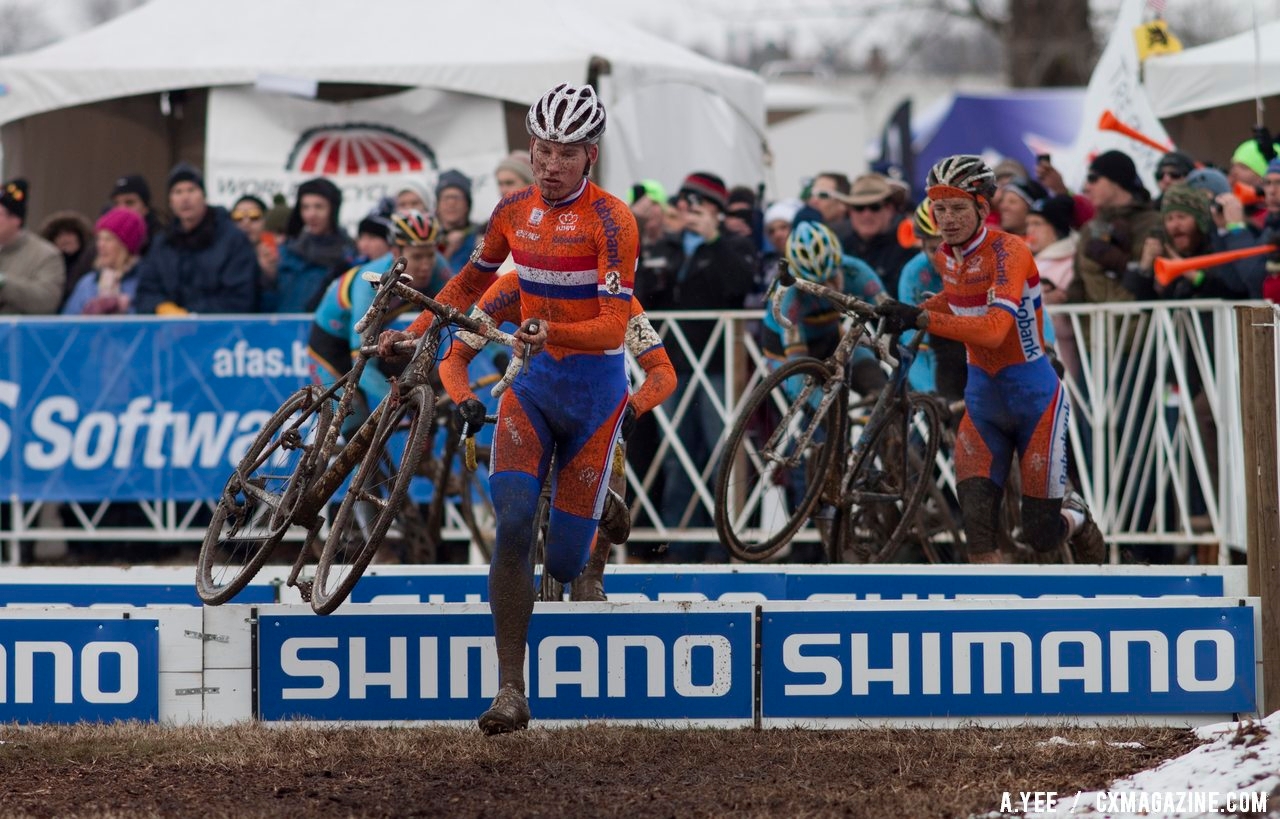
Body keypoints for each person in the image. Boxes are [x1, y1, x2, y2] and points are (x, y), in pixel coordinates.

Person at [377, 82, 637, 734]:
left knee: (567, 563)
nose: (549, 163)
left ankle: (599, 501)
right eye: (541, 149)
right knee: (514, 520)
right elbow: (469, 282)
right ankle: (510, 690)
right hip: (532, 387)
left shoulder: (613, 220)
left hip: (596, 395)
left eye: (565, 153)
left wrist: (551, 332)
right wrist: (413, 332)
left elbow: (612, 327)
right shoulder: (511, 209)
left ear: (591, 155)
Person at [873, 155, 1105, 565]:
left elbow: (995, 329)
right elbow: (959, 297)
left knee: (1041, 534)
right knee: (977, 533)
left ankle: (1079, 518)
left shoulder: (1009, 251)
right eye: (939, 209)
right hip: (983, 402)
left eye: (958, 208)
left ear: (983, 208)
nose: (947, 219)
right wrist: (906, 316)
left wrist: (924, 317)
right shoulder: (946, 255)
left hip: (1035, 403)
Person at [436, 273, 676, 599]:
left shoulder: (616, 298)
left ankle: (592, 573)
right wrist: (465, 398)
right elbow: (456, 354)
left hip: (595, 399)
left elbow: (663, 371)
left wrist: (636, 407)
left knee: (613, 447)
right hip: (536, 397)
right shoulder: (511, 287)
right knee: (516, 504)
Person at [632, 170, 758, 563]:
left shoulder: (735, 244)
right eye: (683, 202)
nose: (687, 210)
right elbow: (646, 295)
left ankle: (724, 542)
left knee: (721, 451)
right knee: (676, 455)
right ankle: (678, 544)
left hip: (718, 364)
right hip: (674, 364)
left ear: (717, 211)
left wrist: (713, 240)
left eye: (698, 204)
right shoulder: (666, 245)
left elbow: (738, 283)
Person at [310, 209, 448, 436]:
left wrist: (499, 357)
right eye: (417, 257)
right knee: (353, 412)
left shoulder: (436, 265)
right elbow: (363, 366)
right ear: (396, 252)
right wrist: (403, 399)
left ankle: (421, 458)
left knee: (426, 382)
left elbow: (471, 311)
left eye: (430, 256)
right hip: (330, 343)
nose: (426, 265)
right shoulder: (371, 281)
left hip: (375, 331)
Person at [134, 163, 259, 314]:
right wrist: (161, 307)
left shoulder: (232, 240)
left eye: (191, 190)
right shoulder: (162, 244)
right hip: (169, 332)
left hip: (218, 332)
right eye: (177, 192)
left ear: (204, 196)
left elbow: (240, 297)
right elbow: (145, 291)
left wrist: (192, 316)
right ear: (170, 202)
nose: (185, 198)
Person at [1073, 150, 1162, 304]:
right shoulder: (1089, 228)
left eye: (1093, 179)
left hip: (1142, 323)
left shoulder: (1154, 222)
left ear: (1116, 181)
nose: (1087, 187)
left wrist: (1122, 263)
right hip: (1096, 326)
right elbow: (1078, 282)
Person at [897, 200, 964, 400]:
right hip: (943, 356)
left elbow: (1030, 308)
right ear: (923, 246)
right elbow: (913, 345)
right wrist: (930, 394)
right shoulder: (914, 273)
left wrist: (1046, 347)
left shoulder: (987, 263)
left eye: (951, 246)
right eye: (935, 248)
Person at [274, 178, 355, 313]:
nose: (311, 214)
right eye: (305, 207)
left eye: (319, 207)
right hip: (286, 329)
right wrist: (267, 275)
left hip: (326, 331)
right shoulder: (288, 250)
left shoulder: (349, 255)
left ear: (333, 209)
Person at [1025, 194, 1081, 381]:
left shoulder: (1071, 261)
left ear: (1055, 228)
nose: (1030, 230)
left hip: (1060, 346)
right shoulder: (1029, 260)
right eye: (1028, 224)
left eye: (1037, 223)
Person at [62, 207, 148, 315]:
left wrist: (125, 308)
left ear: (125, 246)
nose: (101, 245)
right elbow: (67, 322)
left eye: (108, 239)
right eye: (99, 239)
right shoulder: (88, 282)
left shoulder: (144, 282)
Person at [841, 172, 915, 295]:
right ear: (850, 212)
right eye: (859, 207)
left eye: (874, 207)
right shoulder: (841, 247)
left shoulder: (908, 248)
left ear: (890, 209)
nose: (866, 214)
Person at [0, 178, 65, 314]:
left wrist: (5, 284)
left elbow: (48, 299)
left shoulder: (45, 254)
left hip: (19, 333)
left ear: (16, 220)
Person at [38, 210, 96, 301]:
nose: (65, 239)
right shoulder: (47, 266)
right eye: (59, 235)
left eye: (69, 234)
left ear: (80, 237)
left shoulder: (91, 263)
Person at [435, 169, 484, 273]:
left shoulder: (481, 238)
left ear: (467, 204)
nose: (451, 204)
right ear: (437, 205)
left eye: (456, 198)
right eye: (446, 198)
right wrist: (449, 251)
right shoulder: (428, 239)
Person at [108, 173, 164, 254]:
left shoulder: (159, 242)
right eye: (116, 204)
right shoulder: (104, 242)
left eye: (129, 202)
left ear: (145, 207)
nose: (122, 209)